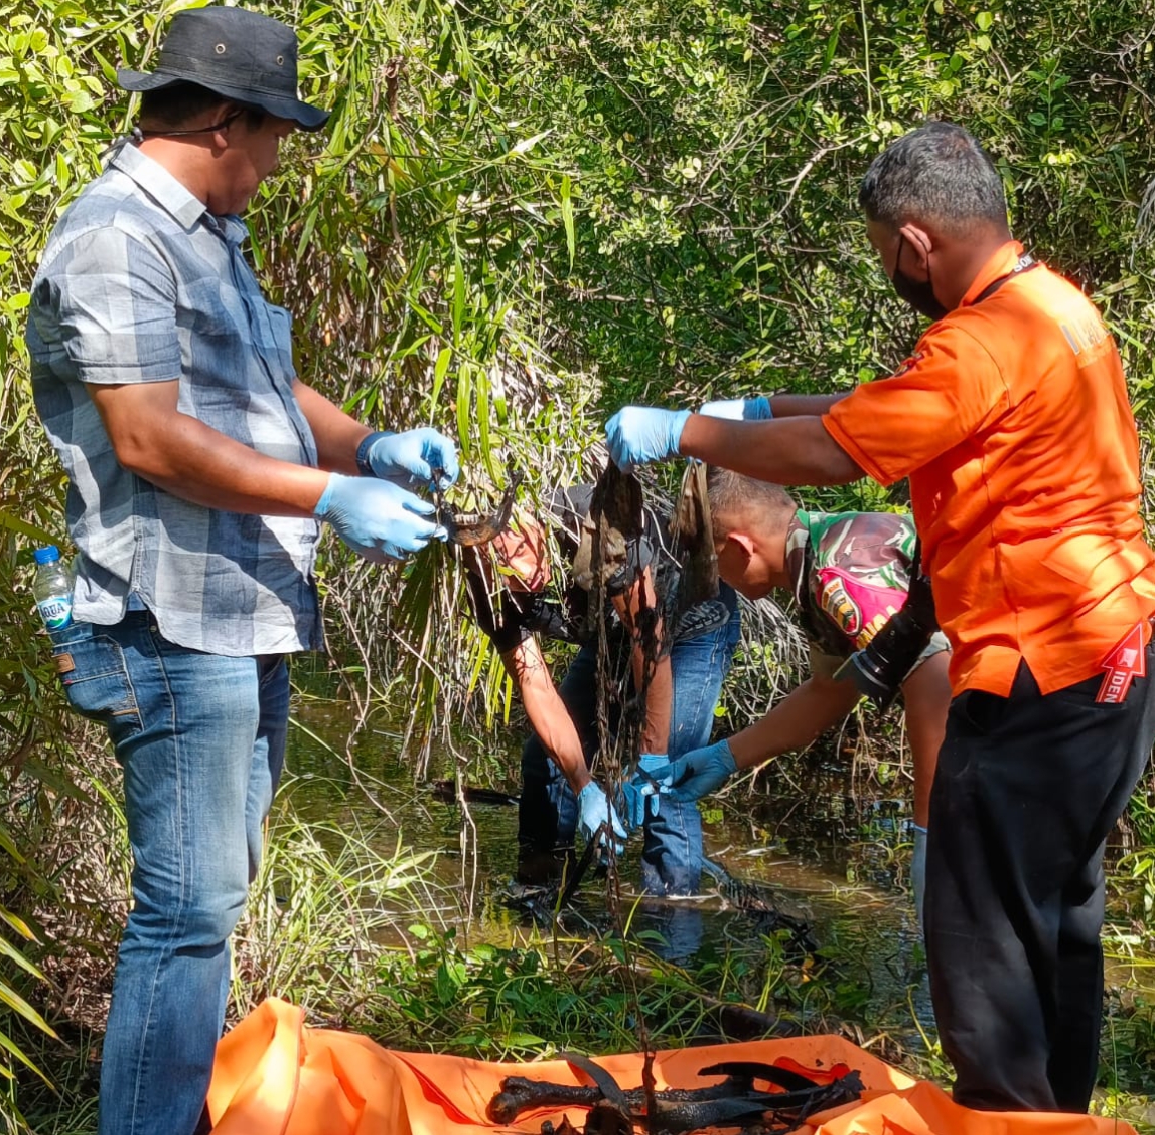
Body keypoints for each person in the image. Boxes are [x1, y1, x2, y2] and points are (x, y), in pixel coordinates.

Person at [604, 121, 1155, 1113]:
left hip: (1034, 675)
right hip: (1112, 666)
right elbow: (892, 412)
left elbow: (838, 451)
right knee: (1054, 946)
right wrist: (763, 402)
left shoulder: (982, 337)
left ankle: (1011, 1124)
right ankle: (1060, 1121)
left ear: (912, 243)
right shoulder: (1054, 312)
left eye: (882, 257)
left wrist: (681, 429)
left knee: (988, 978)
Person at [27, 8, 458, 1135]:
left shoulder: (206, 233)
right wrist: (331, 496)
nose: (274, 165)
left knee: (207, 907)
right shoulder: (117, 235)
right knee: (183, 915)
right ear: (226, 121)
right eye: (274, 140)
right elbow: (150, 438)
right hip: (166, 625)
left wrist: (366, 447)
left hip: (237, 619)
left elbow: (267, 390)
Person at [646, 467, 951, 922]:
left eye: (713, 562)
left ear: (741, 547)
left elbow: (935, 686)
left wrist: (932, 834)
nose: (717, 579)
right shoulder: (815, 560)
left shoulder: (835, 575)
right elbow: (831, 690)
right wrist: (725, 756)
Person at [461, 480, 740, 899]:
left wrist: (651, 759)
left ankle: (674, 911)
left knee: (669, 779)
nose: (517, 572)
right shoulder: (486, 581)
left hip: (690, 624)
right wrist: (586, 786)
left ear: (530, 518)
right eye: (498, 559)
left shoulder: (591, 523)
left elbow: (651, 642)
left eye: (517, 548)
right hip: (611, 633)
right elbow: (534, 683)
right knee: (545, 757)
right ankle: (539, 885)